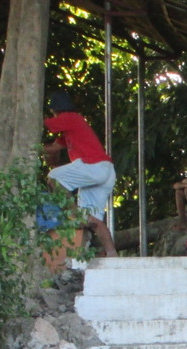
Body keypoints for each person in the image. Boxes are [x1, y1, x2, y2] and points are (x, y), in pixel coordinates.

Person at [43, 91, 117, 257]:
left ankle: (74, 214)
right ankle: (112, 255)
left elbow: (44, 124)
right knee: (93, 219)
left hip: (93, 166)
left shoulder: (70, 117)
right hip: (105, 170)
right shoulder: (72, 126)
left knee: (53, 177)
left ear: (56, 110)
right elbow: (53, 148)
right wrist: (39, 150)